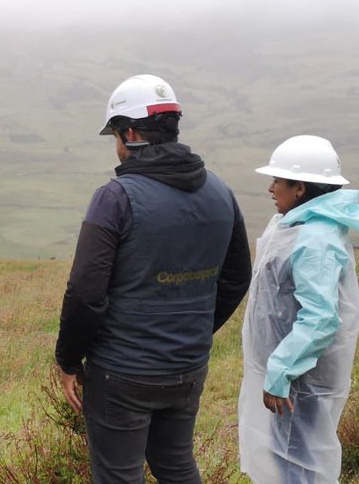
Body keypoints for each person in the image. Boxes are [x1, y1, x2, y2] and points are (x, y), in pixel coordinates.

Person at [54, 74, 253, 484]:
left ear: (129, 133)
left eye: (115, 136)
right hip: (188, 365)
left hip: (121, 372)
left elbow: (86, 293)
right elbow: (237, 278)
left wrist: (69, 360)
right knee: (176, 466)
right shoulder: (221, 192)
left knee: (119, 475)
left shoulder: (115, 197)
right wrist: (192, 330)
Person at [238, 135, 359, 483]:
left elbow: (320, 318)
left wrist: (282, 370)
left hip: (301, 377)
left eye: (278, 180)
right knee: (285, 458)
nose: (271, 188)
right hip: (290, 371)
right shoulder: (296, 224)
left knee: (299, 464)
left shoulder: (314, 239)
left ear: (300, 188)